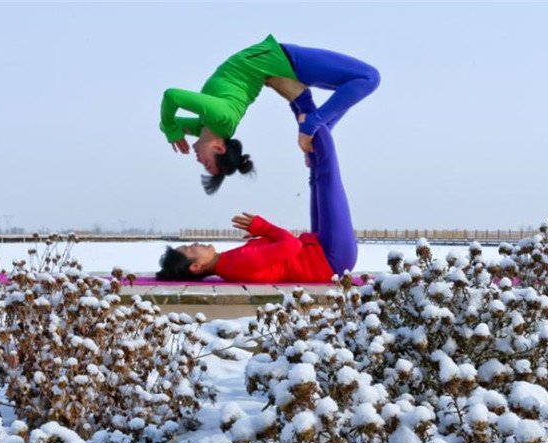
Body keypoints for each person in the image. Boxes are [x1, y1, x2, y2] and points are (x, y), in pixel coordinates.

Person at [156, 89, 357, 282]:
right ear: (196, 266)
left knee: (318, 176)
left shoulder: (228, 262)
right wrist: (263, 227)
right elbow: (292, 246)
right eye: (190, 248)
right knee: (326, 175)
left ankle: (304, 102)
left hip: (319, 251)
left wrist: (265, 233)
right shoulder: (235, 264)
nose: (195, 243)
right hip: (330, 258)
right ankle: (301, 98)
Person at [160, 34, 380, 194]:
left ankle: (316, 127)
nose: (199, 160)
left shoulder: (205, 125)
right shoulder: (222, 118)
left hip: (272, 62)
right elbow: (171, 98)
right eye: (207, 164)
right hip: (282, 60)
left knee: (351, 88)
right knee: (369, 78)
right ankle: (315, 126)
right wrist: (170, 127)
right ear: (219, 148)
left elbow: (170, 105)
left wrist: (170, 129)